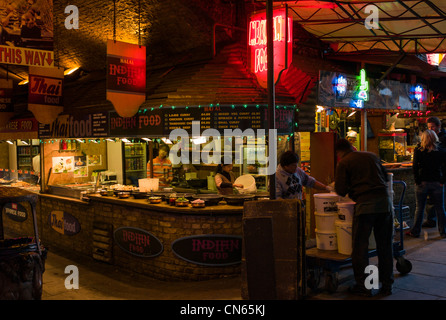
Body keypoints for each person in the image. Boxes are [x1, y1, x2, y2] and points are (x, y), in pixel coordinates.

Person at [334, 139, 394, 296]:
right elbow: (386, 178)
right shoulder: (371, 156)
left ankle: (364, 287)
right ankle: (387, 285)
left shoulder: (344, 162)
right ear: (352, 147)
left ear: (339, 152)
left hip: (365, 207)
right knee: (385, 246)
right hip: (385, 204)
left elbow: (340, 190)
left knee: (360, 248)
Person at [407, 129, 446, 239]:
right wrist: (443, 181)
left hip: (423, 182)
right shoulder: (441, 151)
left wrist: (417, 181)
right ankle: (443, 231)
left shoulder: (419, 151)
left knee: (419, 208)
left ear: (423, 139)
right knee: (440, 208)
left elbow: (415, 167)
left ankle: (415, 231)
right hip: (437, 182)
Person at [422, 117, 446, 228]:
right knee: (431, 200)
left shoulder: (444, 139)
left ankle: (441, 226)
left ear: (438, 126)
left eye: (432, 127)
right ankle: (432, 221)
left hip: (440, 174)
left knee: (440, 203)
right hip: (434, 175)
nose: (430, 129)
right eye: (429, 128)